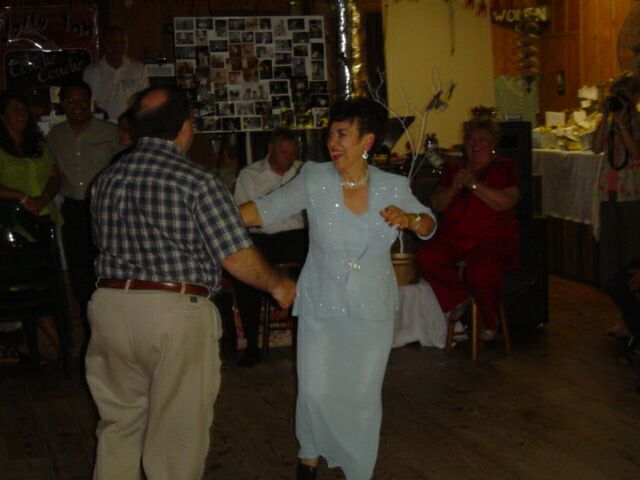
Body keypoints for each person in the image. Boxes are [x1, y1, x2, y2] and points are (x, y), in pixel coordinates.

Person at [86, 85, 296, 479]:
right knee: (176, 438)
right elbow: (235, 255)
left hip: (109, 306)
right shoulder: (197, 182)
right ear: (186, 127)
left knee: (118, 427)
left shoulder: (106, 179)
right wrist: (279, 285)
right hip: (173, 313)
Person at [239, 98, 436, 480]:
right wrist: (215, 216)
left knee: (361, 398)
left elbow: (429, 224)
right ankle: (309, 452)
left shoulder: (393, 186)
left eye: (342, 134)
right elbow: (265, 208)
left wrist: (411, 219)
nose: (333, 142)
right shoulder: (315, 178)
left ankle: (358, 471)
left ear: (367, 141)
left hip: (372, 307)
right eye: (331, 134)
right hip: (320, 302)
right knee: (314, 389)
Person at [416, 116, 519, 341]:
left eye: (481, 139)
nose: (475, 144)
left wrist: (474, 185)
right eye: (471, 139)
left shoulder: (504, 167)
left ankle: (490, 321)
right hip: (456, 237)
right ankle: (458, 298)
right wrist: (453, 189)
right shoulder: (453, 169)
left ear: (492, 144)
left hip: (491, 238)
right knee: (426, 256)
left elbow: (505, 202)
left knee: (481, 273)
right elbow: (437, 204)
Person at [47, 80, 119, 357]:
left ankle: (111, 333)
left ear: (91, 102)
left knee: (107, 268)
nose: (77, 106)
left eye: (81, 100)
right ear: (62, 105)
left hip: (104, 209)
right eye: (71, 100)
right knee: (79, 272)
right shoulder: (55, 136)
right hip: (74, 210)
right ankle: (90, 335)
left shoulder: (109, 132)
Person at [233, 128, 307, 367]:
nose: (289, 158)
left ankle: (308, 337)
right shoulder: (249, 175)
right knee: (246, 271)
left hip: (296, 235)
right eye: (284, 153)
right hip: (263, 236)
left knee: (317, 264)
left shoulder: (303, 172)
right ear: (270, 149)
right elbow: (240, 216)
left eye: (293, 154)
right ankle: (252, 344)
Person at [0, 90, 62, 360]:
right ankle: (58, 346)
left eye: (24, 109)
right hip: (11, 228)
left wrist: (45, 197)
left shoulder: (37, 143)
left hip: (43, 221)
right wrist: (20, 197)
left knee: (47, 284)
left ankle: (57, 347)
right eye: (15, 109)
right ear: (2, 116)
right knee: (27, 287)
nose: (22, 114)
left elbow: (55, 176)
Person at [592, 72, 640, 336]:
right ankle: (625, 317)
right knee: (612, 260)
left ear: (634, 97)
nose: (619, 100)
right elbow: (595, 148)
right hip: (608, 195)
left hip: (631, 195)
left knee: (630, 257)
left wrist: (622, 125)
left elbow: (636, 153)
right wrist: (604, 116)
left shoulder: (636, 121)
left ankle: (633, 320)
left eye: (623, 95)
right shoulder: (610, 121)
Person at [83, 26, 149, 121]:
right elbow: (90, 103)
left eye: (122, 43)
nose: (117, 47)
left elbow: (143, 101)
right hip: (102, 125)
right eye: (112, 42)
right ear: (104, 44)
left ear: (126, 45)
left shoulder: (138, 69)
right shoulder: (92, 71)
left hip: (130, 124)